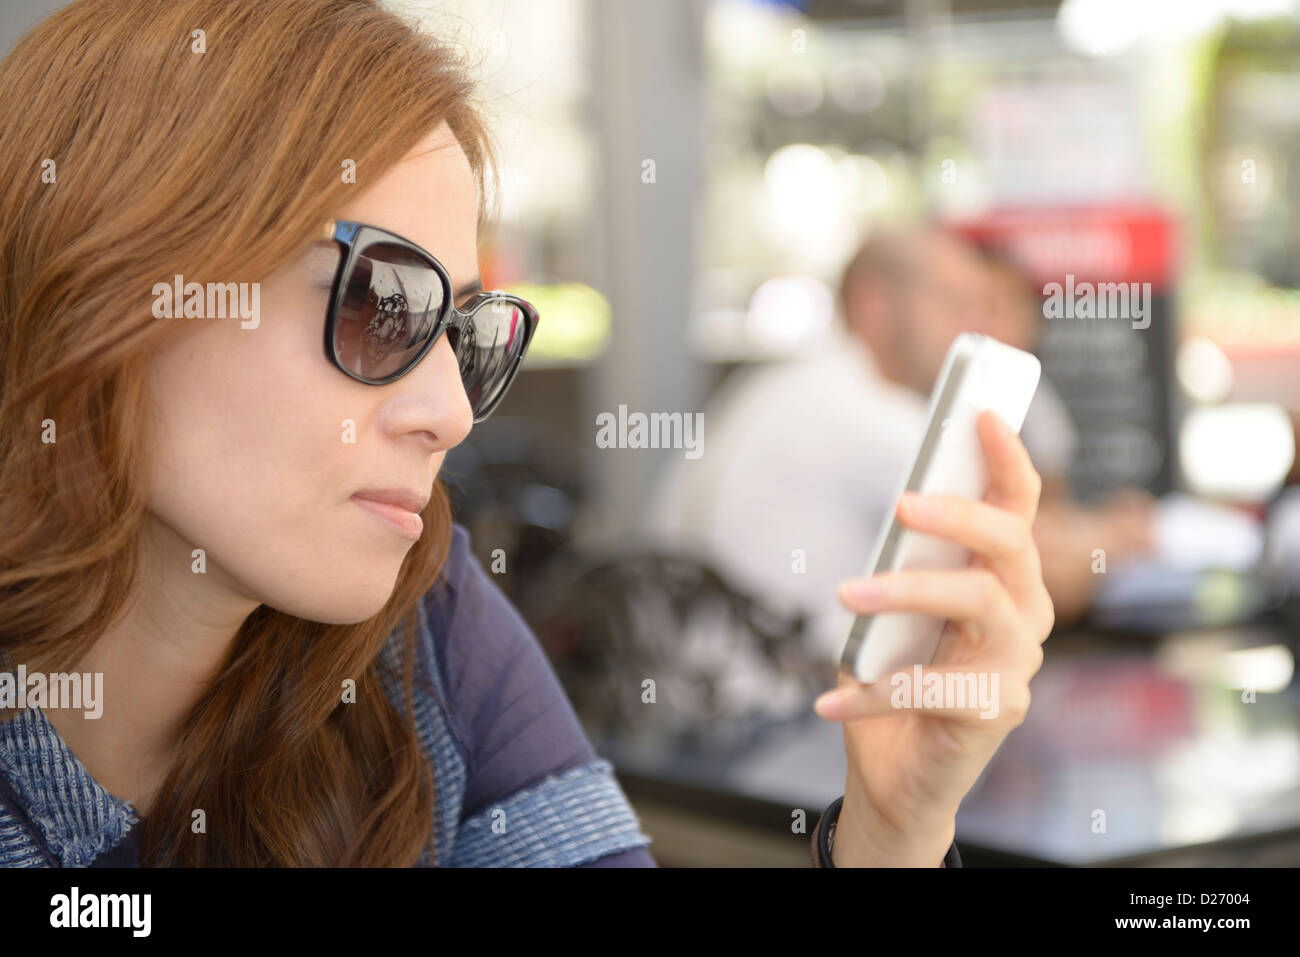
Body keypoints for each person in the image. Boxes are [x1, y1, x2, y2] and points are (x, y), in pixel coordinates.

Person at [0, 0, 1052, 870]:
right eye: (380, 303)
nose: (451, 413)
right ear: (119, 280)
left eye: (461, 333)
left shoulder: (421, 624)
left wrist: (891, 832)